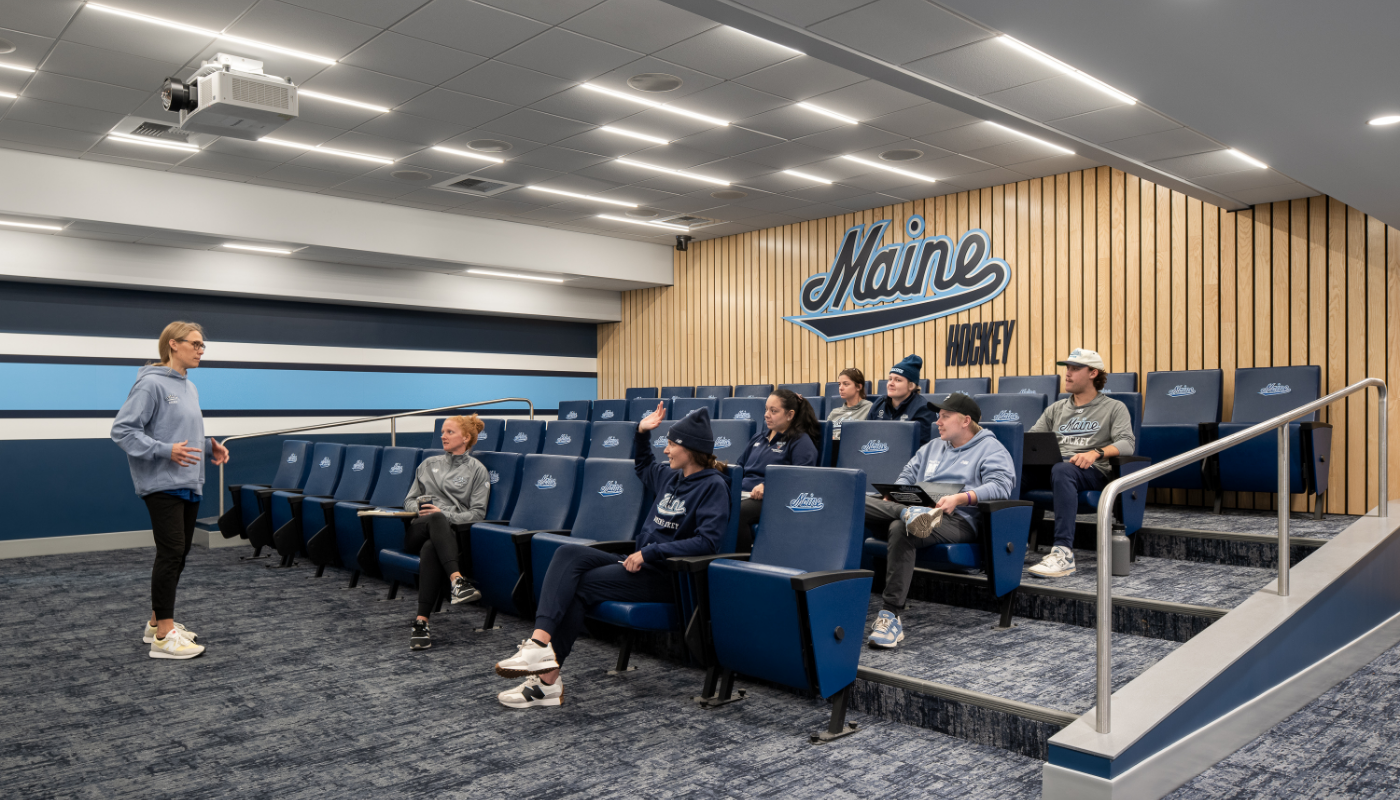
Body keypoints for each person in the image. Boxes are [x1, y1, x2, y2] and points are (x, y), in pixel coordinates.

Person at [492, 405, 731, 709]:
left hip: (668, 577)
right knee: (567, 553)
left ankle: (546, 680)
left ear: (691, 449)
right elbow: (643, 465)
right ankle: (539, 647)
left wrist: (650, 552)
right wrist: (641, 432)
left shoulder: (713, 487)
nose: (666, 450)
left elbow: (707, 542)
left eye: (672, 444)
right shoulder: (671, 477)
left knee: (579, 586)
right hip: (639, 564)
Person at [112, 321, 229, 660]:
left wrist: (207, 446)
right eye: (195, 344)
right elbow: (122, 431)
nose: (201, 350)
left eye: (203, 345)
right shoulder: (151, 384)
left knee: (180, 552)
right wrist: (165, 450)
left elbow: (179, 430)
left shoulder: (189, 387)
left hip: (189, 480)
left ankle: (155, 623)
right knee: (171, 552)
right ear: (173, 344)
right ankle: (164, 636)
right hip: (161, 482)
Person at [863, 394, 1016, 648]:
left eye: (945, 416)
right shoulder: (932, 446)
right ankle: (904, 512)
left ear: (965, 421)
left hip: (957, 518)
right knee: (855, 499)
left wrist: (960, 498)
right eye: (938, 416)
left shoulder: (992, 448)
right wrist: (896, 493)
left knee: (902, 528)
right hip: (917, 507)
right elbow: (907, 475)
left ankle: (890, 615)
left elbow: (1001, 487)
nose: (938, 422)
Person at [1026, 349, 1136, 579]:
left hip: (1092, 472)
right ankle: (1009, 543)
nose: (1068, 373)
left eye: (1075, 369)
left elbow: (1127, 444)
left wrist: (1095, 453)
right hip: (1057, 468)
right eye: (1067, 368)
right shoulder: (1055, 409)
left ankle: (1063, 554)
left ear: (1093, 373)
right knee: (1015, 473)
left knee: (1063, 470)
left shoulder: (1114, 408)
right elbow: (1032, 441)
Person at [403, 415, 491, 650]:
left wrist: (445, 514)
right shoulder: (427, 464)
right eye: (443, 432)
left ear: (466, 437)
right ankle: (457, 580)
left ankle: (421, 623)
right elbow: (408, 501)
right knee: (435, 519)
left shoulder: (477, 470)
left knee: (432, 546)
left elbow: (477, 514)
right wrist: (422, 509)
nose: (443, 436)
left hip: (449, 538)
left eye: (450, 432)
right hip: (418, 530)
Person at [732, 388, 821, 551]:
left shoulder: (800, 441)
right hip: (743, 494)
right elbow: (738, 468)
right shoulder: (758, 438)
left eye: (773, 411)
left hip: (773, 498)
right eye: (766, 409)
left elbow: (803, 478)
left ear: (790, 415)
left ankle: (739, 560)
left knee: (738, 511)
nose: (766, 415)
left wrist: (768, 486)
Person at [869, 354, 936, 446]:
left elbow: (923, 446)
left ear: (911, 386)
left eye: (898, 380)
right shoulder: (879, 402)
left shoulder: (923, 409)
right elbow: (866, 433)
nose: (891, 383)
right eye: (890, 379)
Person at [826, 368, 872, 463]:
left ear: (858, 387)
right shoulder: (834, 412)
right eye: (839, 384)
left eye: (846, 384)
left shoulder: (870, 409)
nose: (841, 388)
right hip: (832, 453)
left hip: (855, 454)